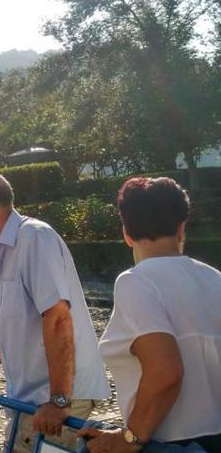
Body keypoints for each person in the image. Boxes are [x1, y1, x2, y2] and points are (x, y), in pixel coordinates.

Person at [0, 168, 109, 453]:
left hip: (54, 403)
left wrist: (59, 401)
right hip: (30, 401)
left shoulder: (35, 239)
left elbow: (58, 318)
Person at [79, 177, 221, 452]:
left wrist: (129, 438)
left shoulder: (136, 282)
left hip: (172, 444)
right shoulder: (214, 278)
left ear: (126, 233)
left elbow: (166, 371)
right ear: (181, 229)